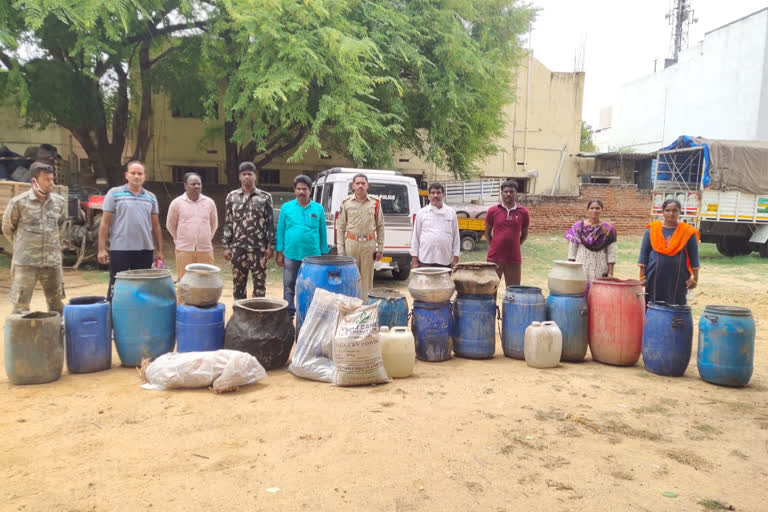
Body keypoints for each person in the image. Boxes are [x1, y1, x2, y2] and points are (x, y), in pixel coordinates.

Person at [2, 162, 67, 314]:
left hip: (52, 263)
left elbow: (61, 226)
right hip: (26, 263)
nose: (52, 183)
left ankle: (56, 336)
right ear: (34, 181)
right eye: (47, 179)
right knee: (20, 307)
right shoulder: (19, 203)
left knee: (57, 306)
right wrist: (23, 246)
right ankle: (21, 337)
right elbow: (7, 228)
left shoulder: (59, 203)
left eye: (52, 179)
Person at [97, 160, 164, 300]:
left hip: (144, 250)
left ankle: (139, 317)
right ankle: (113, 318)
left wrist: (160, 250)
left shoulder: (151, 197)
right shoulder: (114, 194)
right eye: (133, 173)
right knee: (117, 286)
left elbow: (156, 226)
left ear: (144, 176)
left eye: (140, 173)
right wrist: (101, 249)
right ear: (126, 175)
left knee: (143, 287)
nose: (136, 176)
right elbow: (104, 223)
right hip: (120, 249)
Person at [275, 175, 328, 317]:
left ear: (310, 190)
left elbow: (323, 232)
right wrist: (279, 252)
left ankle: (310, 315)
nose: (301, 192)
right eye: (298, 189)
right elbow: (280, 231)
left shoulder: (318, 209)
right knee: (289, 286)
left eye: (304, 189)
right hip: (291, 254)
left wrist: (323, 254)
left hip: (313, 257)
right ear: (294, 190)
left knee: (313, 286)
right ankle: (288, 315)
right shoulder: (286, 208)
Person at [222, 162, 275, 300]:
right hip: (238, 248)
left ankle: (258, 318)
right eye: (244, 174)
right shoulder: (232, 197)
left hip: (259, 249)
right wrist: (226, 246)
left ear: (255, 176)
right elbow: (228, 222)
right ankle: (239, 318)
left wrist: (270, 246)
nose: (247, 177)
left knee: (260, 287)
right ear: (240, 177)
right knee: (238, 286)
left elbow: (270, 223)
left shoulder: (265, 197)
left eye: (249, 174)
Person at [638, 199, 700, 305]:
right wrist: (642, 277)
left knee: (676, 306)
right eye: (667, 210)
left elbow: (694, 257)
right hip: (654, 276)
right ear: (662, 212)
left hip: (678, 278)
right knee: (653, 305)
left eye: (675, 210)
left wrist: (695, 279)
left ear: (680, 212)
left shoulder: (688, 232)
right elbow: (644, 254)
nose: (671, 213)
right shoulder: (652, 230)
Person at [336, 173, 385, 299]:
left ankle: (365, 310)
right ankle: (351, 309)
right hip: (351, 244)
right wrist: (341, 252)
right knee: (351, 277)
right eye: (357, 183)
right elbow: (340, 228)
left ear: (367, 185)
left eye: (363, 183)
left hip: (369, 244)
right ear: (353, 186)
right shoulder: (346, 203)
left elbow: (380, 226)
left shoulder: (375, 203)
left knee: (367, 279)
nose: (360, 186)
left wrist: (380, 248)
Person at [166, 172, 218, 283]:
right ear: (185, 186)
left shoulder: (209, 203)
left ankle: (206, 301)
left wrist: (207, 238)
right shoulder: (177, 203)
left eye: (199, 184)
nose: (197, 186)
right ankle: (183, 301)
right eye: (193, 184)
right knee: (185, 281)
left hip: (205, 249)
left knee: (206, 280)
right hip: (184, 249)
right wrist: (178, 239)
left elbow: (214, 224)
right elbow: (170, 225)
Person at [485, 180, 529, 286]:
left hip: (514, 257)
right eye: (506, 191)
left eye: (511, 191)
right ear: (501, 193)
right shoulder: (492, 211)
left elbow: (524, 234)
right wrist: (494, 245)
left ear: (516, 193)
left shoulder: (523, 212)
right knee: (490, 289)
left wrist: (515, 245)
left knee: (513, 289)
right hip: (494, 257)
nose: (508, 194)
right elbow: (487, 233)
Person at [564, 199, 617, 281]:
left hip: (600, 267)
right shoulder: (578, 226)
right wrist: (571, 269)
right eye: (592, 208)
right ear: (587, 210)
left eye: (597, 208)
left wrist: (610, 273)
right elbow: (572, 250)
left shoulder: (608, 229)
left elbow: (611, 252)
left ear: (602, 210)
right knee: (580, 290)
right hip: (581, 265)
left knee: (598, 291)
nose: (594, 210)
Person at [410, 182, 460, 268]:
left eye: (438, 192)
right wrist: (414, 260)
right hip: (425, 260)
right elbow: (416, 237)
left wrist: (455, 258)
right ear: (429, 196)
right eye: (433, 193)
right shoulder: (421, 213)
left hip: (445, 260)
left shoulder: (451, 213)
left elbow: (456, 237)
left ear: (443, 195)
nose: (435, 195)